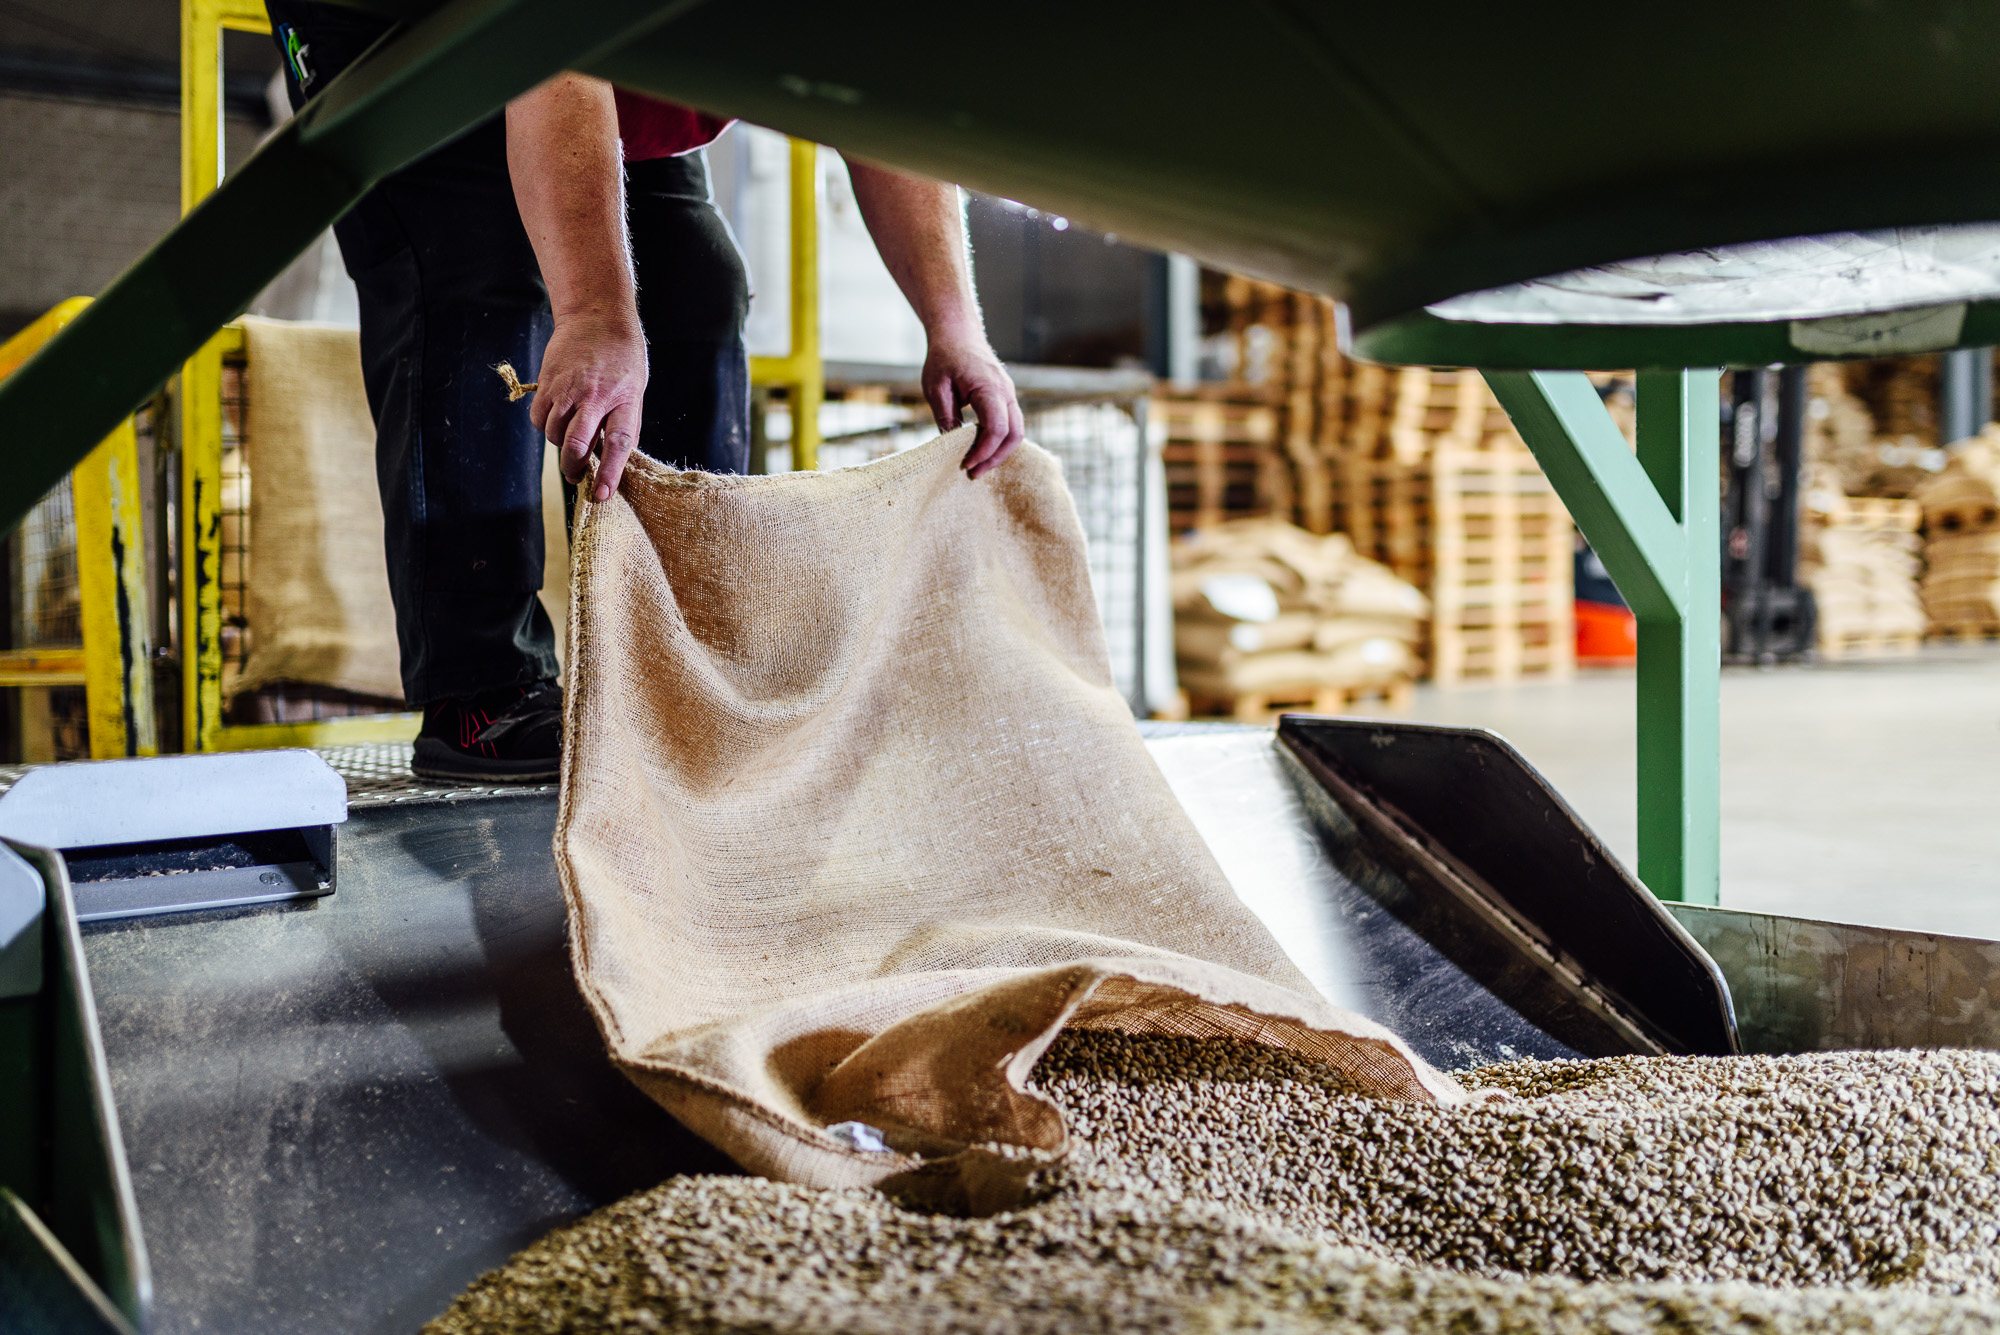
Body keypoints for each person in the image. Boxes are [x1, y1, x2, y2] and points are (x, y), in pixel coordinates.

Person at [265, 6, 1024, 783]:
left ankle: (667, 671)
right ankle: (482, 693)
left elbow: (885, 102)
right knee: (477, 279)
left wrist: (954, 326)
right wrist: (594, 311)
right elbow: (545, 40)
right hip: (410, 22)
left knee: (694, 287)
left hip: (602, 57)